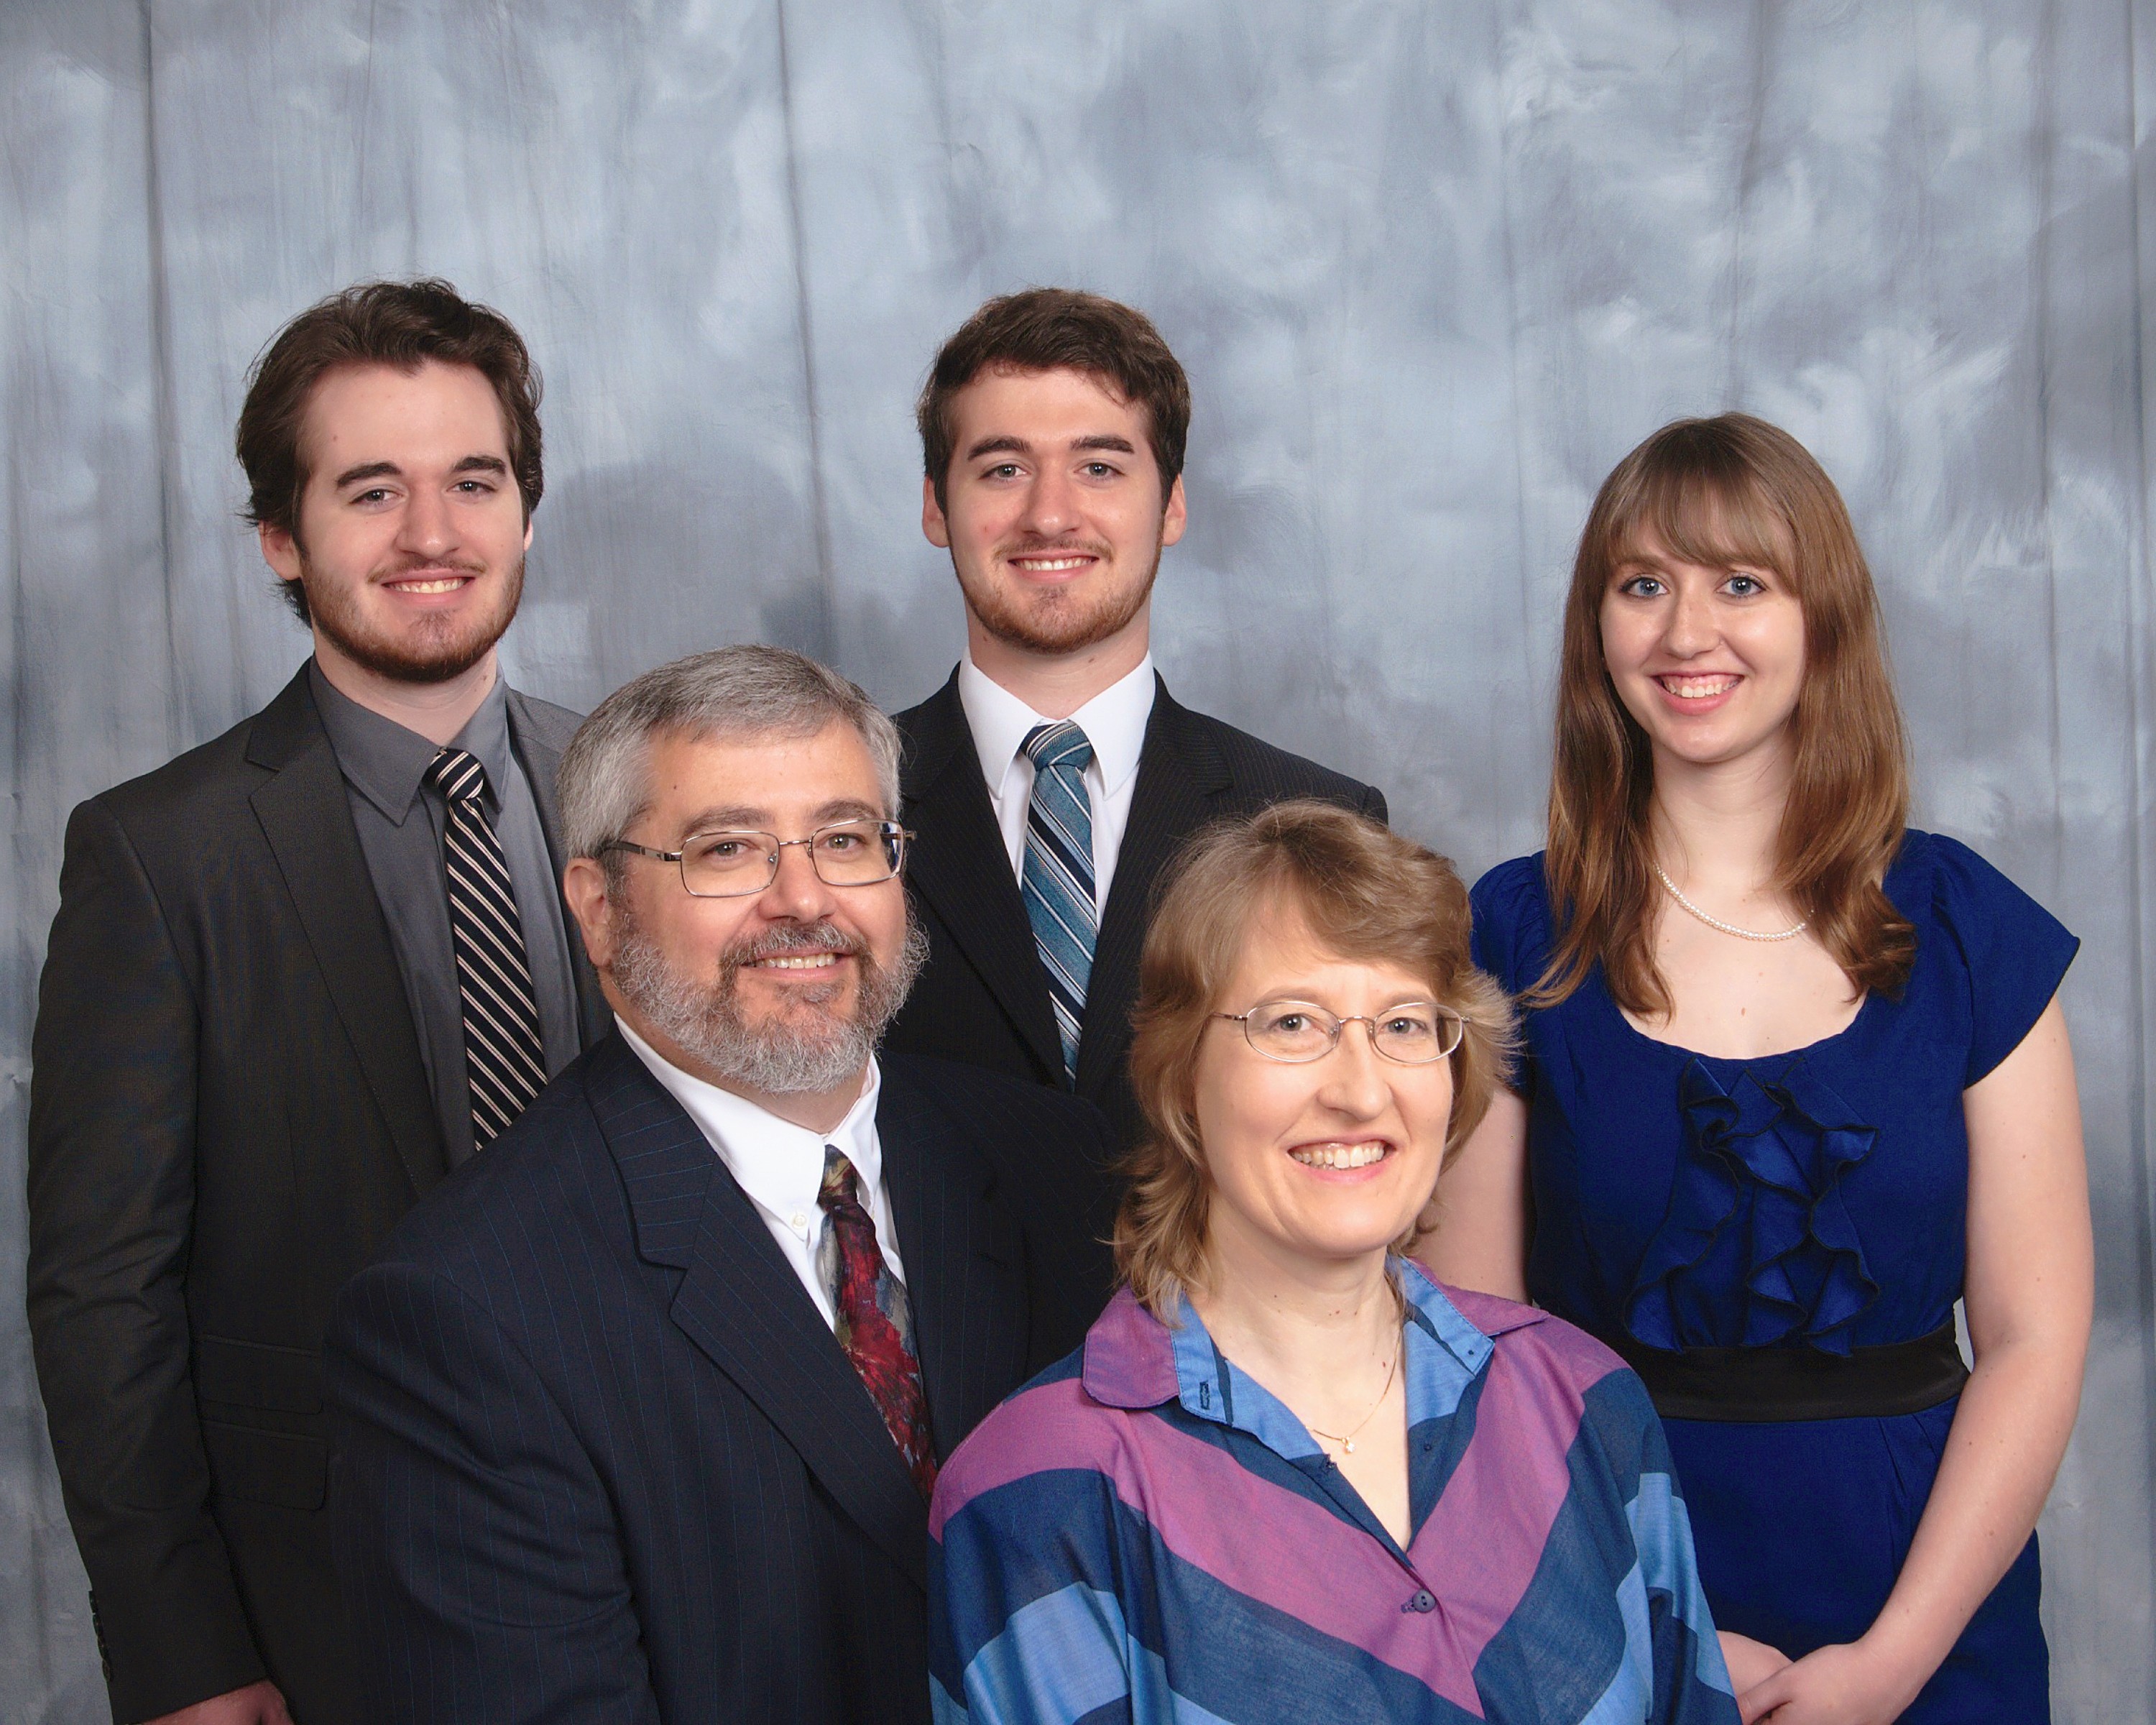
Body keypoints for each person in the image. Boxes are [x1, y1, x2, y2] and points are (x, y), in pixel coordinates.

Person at [1427, 415, 2092, 1723]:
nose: (1687, 633)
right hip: (1606, 1575)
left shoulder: (1968, 930)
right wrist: (1656, 1632)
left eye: (1741, 583)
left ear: (1821, 616)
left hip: (1928, 1594)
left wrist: (1894, 1661)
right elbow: (1478, 1347)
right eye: (1643, 585)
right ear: (1595, 627)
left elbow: (2034, 1340)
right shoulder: (1511, 933)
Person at [326, 645, 1114, 1724]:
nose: (804, 900)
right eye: (727, 849)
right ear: (600, 909)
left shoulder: (1065, 1172)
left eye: (846, 839)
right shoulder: (463, 1317)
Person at [26, 280, 602, 1725]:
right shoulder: (161, 858)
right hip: (329, 1609)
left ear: (526, 514)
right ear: (282, 537)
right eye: (372, 490)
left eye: (474, 482)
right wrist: (185, 1653)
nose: (431, 534)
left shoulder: (640, 796)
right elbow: (104, 1300)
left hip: (653, 1567)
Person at [930, 801, 1738, 1724]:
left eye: (1404, 1025)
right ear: (1182, 1076)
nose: (1360, 1091)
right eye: (1292, 1023)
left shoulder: (1584, 1403)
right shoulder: (1038, 1493)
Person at [885, 288, 1387, 1179]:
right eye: (1002, 469)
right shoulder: (841, 807)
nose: (1050, 514)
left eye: (1100, 467)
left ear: (1172, 506)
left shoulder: (1316, 817)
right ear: (936, 506)